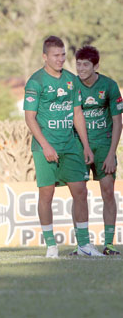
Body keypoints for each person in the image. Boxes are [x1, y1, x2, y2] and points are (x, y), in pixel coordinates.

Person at [23, 36, 104, 258]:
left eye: (63, 55)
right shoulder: (35, 82)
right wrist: (46, 145)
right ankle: (51, 246)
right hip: (45, 147)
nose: (61, 59)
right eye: (56, 55)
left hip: (70, 145)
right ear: (45, 57)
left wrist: (86, 146)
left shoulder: (71, 80)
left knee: (80, 192)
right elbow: (30, 118)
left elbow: (77, 113)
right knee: (46, 195)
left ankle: (84, 245)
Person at [71, 46, 122, 255]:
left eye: (86, 65)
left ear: (96, 66)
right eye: (78, 64)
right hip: (78, 145)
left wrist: (112, 153)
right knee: (79, 194)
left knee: (108, 191)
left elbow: (118, 122)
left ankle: (109, 244)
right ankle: (82, 244)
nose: (81, 69)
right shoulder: (72, 85)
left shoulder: (109, 86)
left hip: (104, 144)